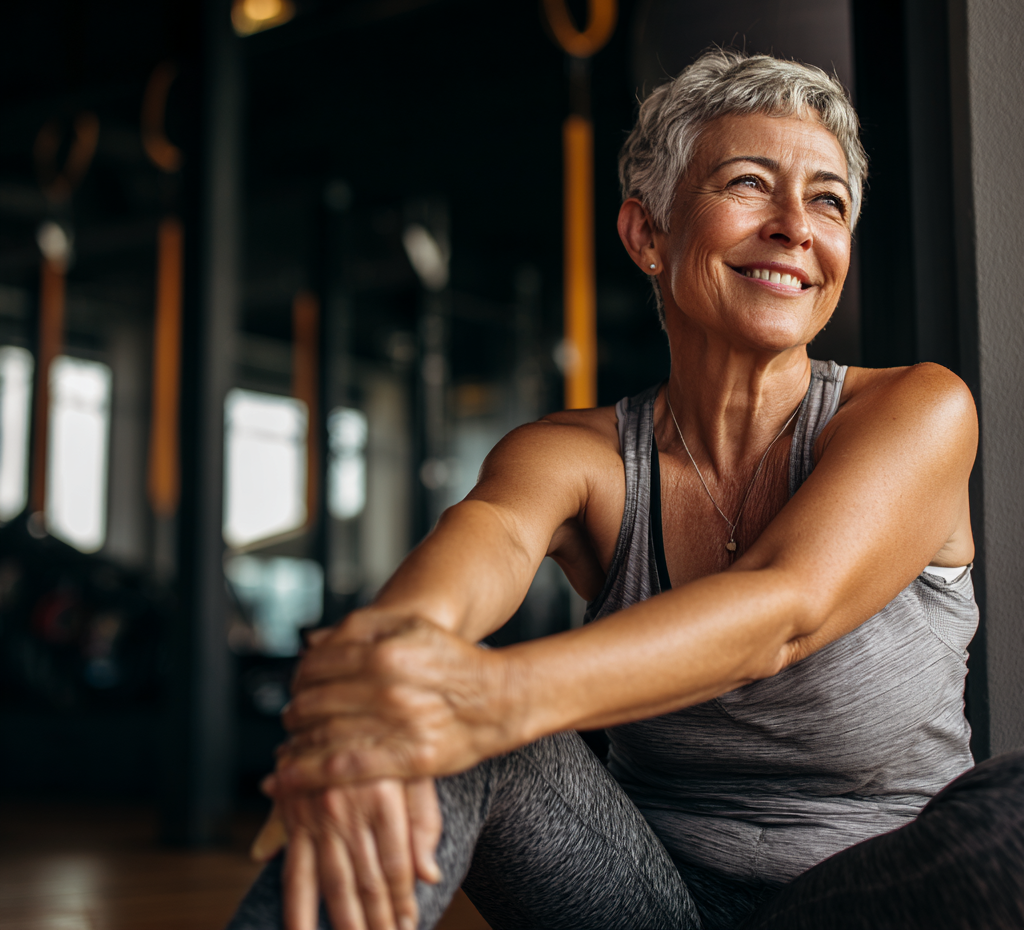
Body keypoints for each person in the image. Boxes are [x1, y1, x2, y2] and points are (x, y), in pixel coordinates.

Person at [229, 49, 1024, 930]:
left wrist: (478, 699)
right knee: (424, 735)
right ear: (647, 233)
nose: (797, 226)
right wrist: (378, 698)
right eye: (751, 184)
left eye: (828, 201)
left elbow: (784, 610)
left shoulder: (919, 409)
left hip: (868, 900)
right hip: (644, 907)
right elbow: (474, 553)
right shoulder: (577, 456)